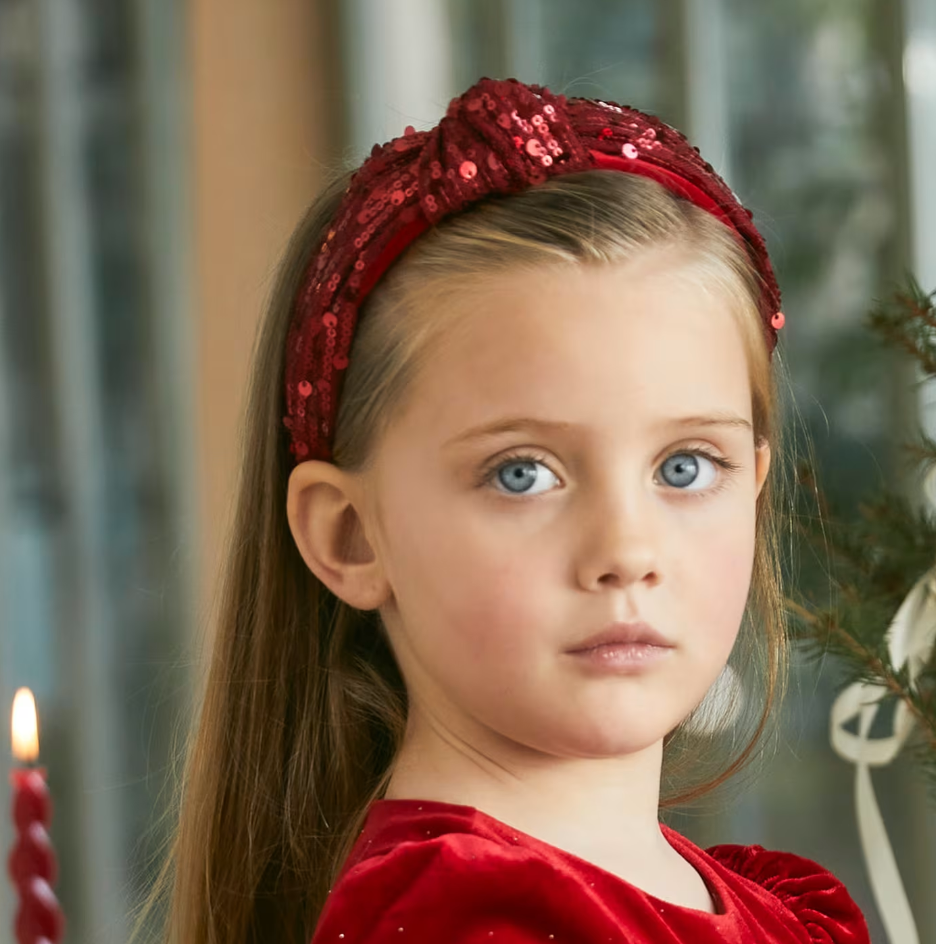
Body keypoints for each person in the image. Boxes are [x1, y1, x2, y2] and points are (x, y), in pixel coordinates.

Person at [158, 77, 870, 943]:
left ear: (754, 484)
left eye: (685, 466)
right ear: (349, 536)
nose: (626, 549)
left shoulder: (767, 908)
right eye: (523, 474)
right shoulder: (460, 920)